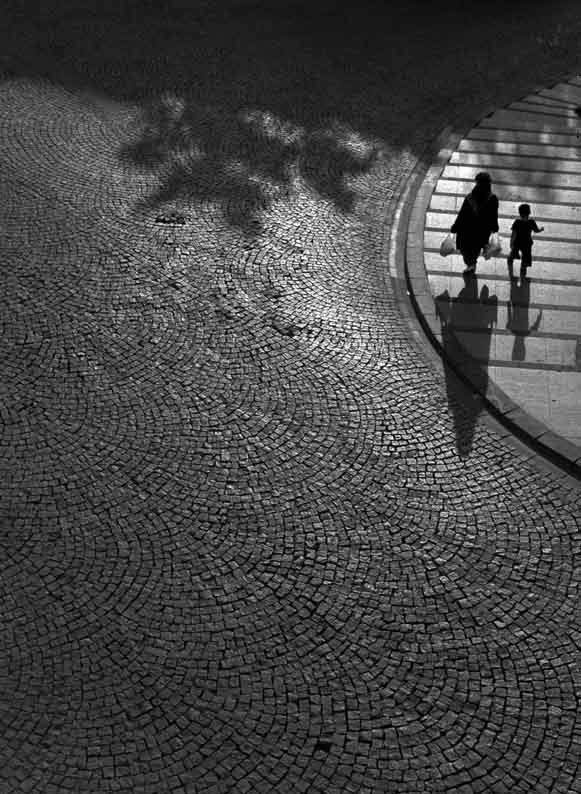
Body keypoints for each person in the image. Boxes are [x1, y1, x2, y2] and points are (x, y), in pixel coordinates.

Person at [450, 172, 499, 274]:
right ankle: (472, 263)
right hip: (482, 231)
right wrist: (494, 228)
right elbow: (493, 216)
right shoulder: (492, 199)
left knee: (465, 248)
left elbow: (462, 214)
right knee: (475, 249)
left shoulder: (470, 198)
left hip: (467, 230)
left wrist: (455, 226)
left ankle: (471, 264)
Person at [507, 203, 544, 280]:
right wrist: (541, 229)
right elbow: (536, 230)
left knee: (514, 252)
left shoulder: (517, 222)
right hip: (527, 243)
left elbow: (513, 234)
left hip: (517, 242)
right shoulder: (531, 222)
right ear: (529, 213)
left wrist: (511, 243)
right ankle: (523, 267)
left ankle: (510, 259)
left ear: (519, 213)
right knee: (526, 256)